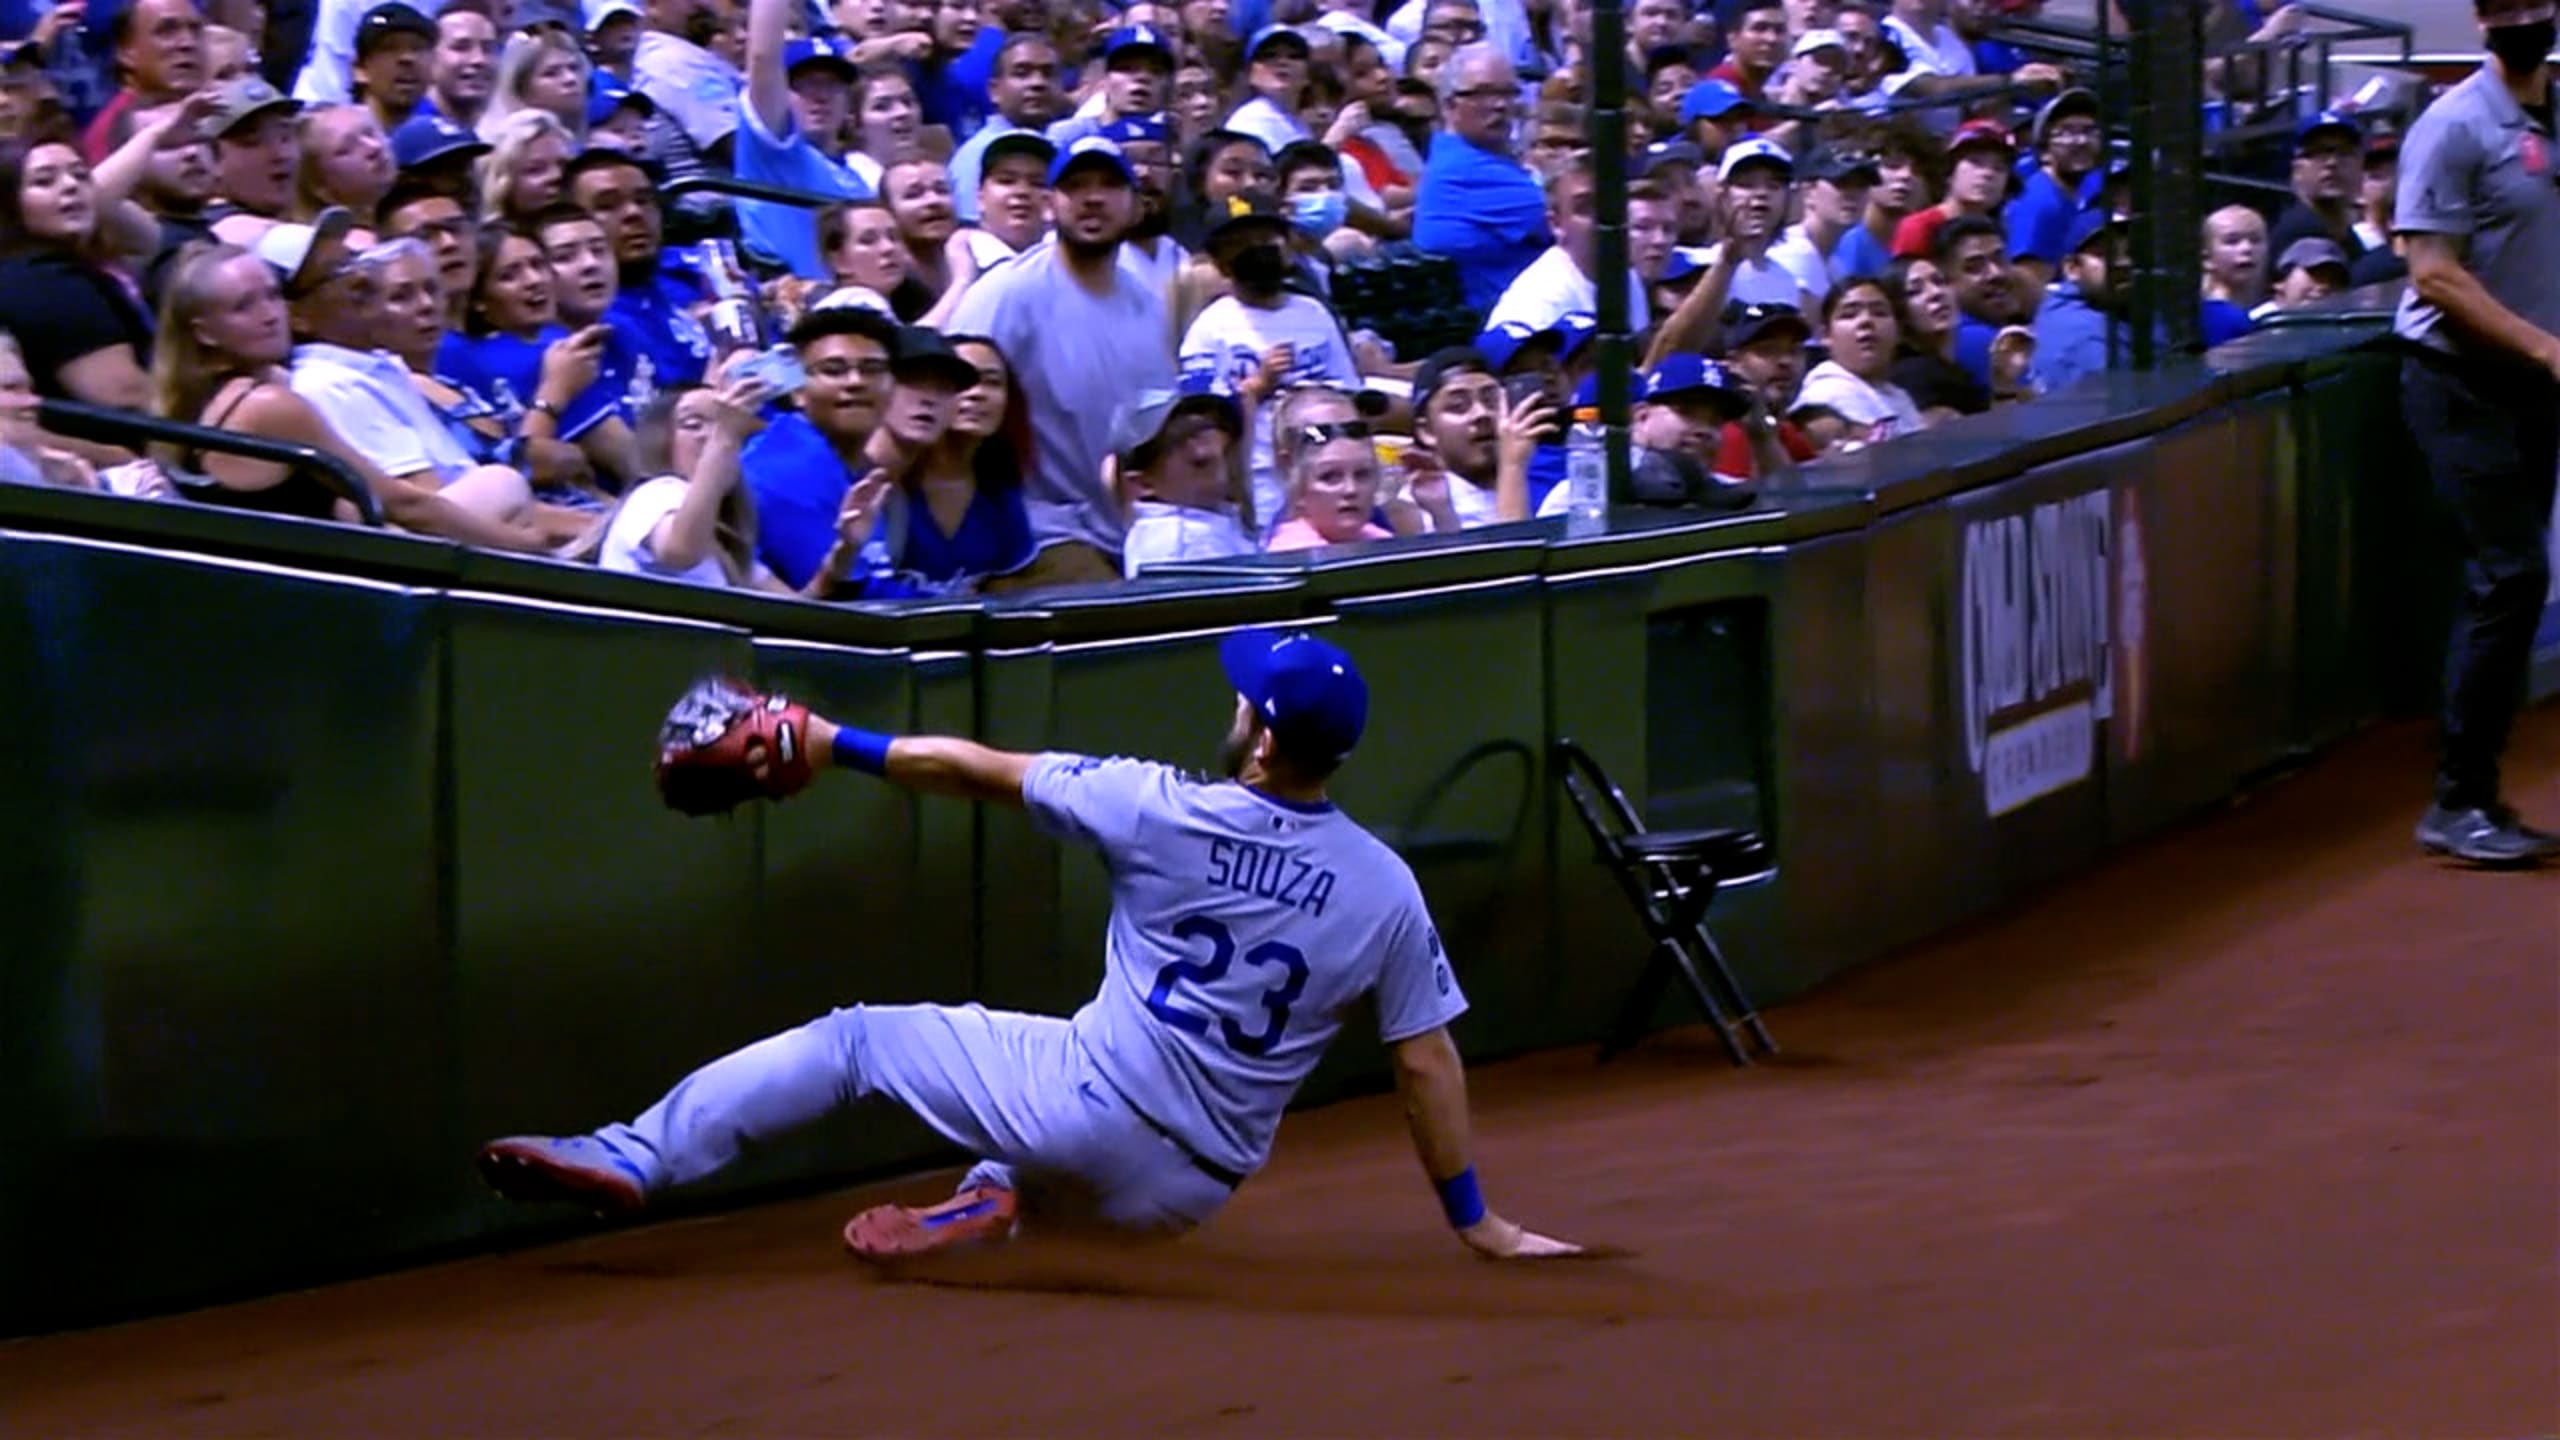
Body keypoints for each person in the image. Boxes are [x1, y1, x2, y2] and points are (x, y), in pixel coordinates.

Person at [476, 631, 1585, 1263]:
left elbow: (972, 771)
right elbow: (1424, 1063)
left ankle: (634, 1154)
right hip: (1186, 1194)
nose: (1236, 706)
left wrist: (830, 739)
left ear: (1259, 741)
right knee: (1047, 1094)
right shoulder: (1384, 888)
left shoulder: (1158, 808)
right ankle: (996, 1195)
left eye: (1244, 701)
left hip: (1085, 1105)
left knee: (860, 1042)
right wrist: (1476, 1221)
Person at [2390, 0, 2560, 867]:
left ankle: (2476, 792)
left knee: (2513, 582)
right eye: (2510, 8)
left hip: (2532, 385)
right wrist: (2543, 345)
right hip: (2460, 381)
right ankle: (2459, 799)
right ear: (2484, 22)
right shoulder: (2454, 125)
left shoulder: (2552, 113)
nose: (2527, 19)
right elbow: (2433, 273)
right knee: (2511, 574)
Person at [1795, 276, 1926, 445]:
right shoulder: (1822, 397)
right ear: (1825, 335)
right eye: (1849, 315)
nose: (1866, 321)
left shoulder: (1899, 396)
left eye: (1879, 313)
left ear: (1899, 332)